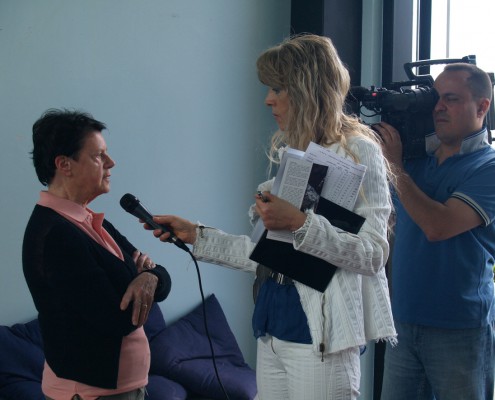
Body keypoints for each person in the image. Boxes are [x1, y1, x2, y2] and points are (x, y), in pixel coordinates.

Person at [142, 34, 396, 400]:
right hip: (272, 327)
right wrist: (196, 235)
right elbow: (268, 255)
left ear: (307, 89)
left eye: (278, 88)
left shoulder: (358, 150)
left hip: (320, 339)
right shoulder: (296, 151)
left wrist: (300, 223)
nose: (268, 99)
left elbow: (373, 254)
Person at [22, 109, 172, 400]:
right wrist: (140, 276)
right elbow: (117, 318)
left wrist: (150, 277)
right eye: (99, 156)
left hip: (121, 388)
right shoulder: (56, 235)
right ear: (64, 165)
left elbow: (160, 277)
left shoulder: (89, 221)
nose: (111, 163)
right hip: (90, 392)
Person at [376, 63, 495, 400]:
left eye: (451, 99)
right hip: (402, 321)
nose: (439, 107)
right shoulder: (415, 161)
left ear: (482, 107)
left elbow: (438, 227)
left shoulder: (488, 168)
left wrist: (394, 167)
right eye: (436, 99)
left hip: (459, 329)